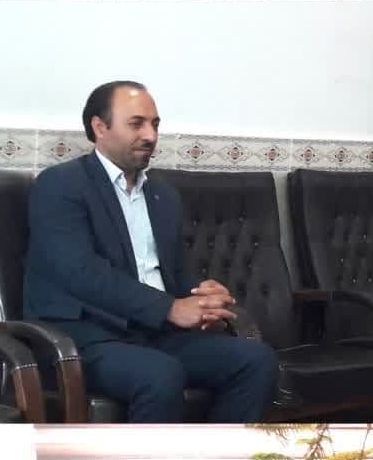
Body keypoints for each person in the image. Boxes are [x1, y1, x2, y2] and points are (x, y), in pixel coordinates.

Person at [23, 81, 279, 422]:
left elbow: (171, 272)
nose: (150, 136)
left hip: (153, 331)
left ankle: (213, 455)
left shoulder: (163, 194)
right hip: (87, 336)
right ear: (99, 127)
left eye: (155, 124)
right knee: (159, 374)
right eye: (137, 124)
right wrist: (170, 308)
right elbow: (80, 272)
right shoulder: (61, 185)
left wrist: (202, 298)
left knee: (256, 360)